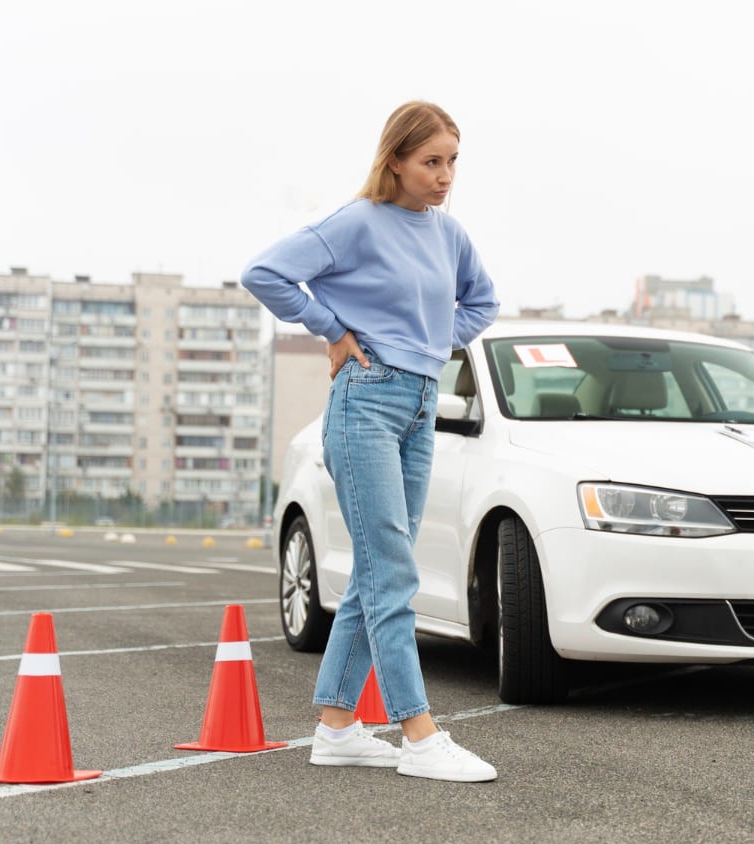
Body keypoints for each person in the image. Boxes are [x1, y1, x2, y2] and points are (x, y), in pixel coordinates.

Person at [241, 100, 501, 782]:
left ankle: (336, 728)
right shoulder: (357, 222)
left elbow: (483, 302)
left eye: (452, 162)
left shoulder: (449, 235)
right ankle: (418, 734)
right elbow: (264, 273)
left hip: (421, 406)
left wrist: (433, 341)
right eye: (431, 161)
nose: (445, 176)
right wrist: (332, 328)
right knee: (392, 573)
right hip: (366, 402)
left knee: (378, 570)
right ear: (396, 161)